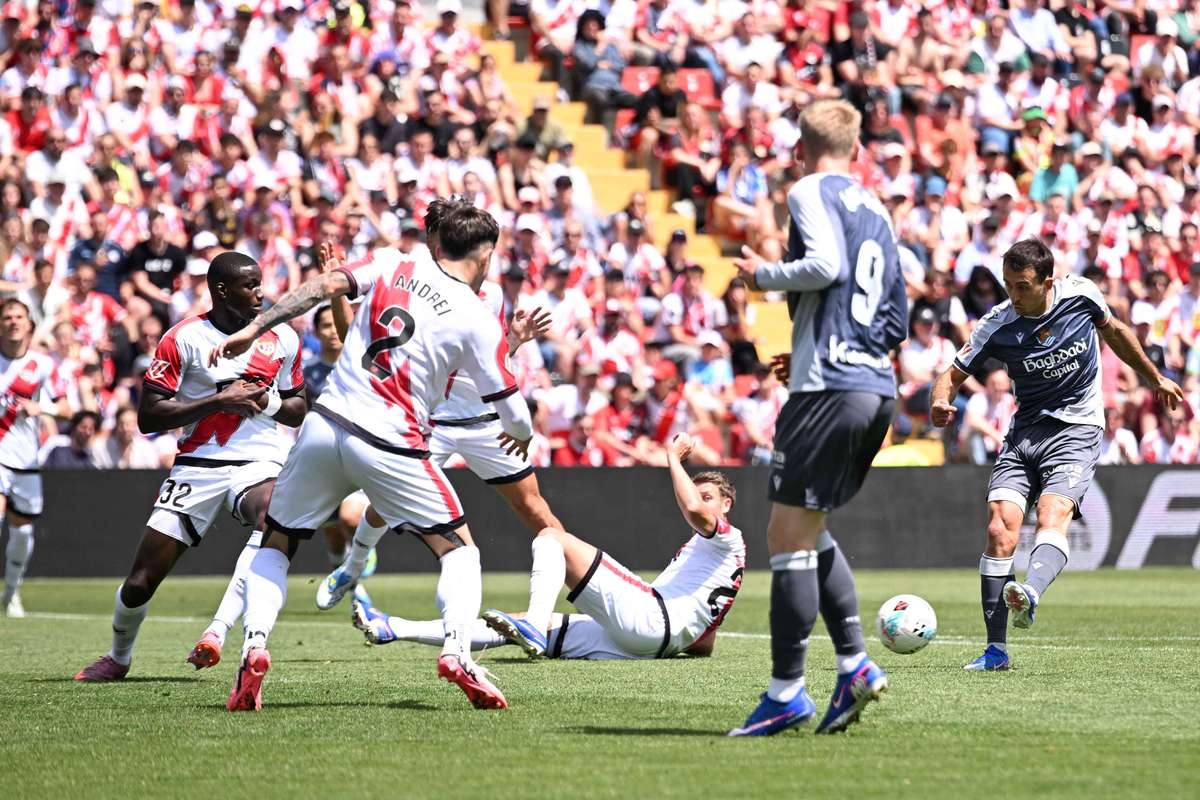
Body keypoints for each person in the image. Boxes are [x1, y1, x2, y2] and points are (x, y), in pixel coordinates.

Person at [207, 206, 533, 713]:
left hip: (326, 423)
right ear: (486, 254)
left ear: (439, 241)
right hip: (392, 440)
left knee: (277, 542)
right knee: (459, 552)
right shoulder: (476, 315)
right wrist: (523, 435)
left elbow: (322, 287)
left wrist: (257, 328)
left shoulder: (392, 262)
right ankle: (457, 652)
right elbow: (513, 413)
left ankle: (254, 647)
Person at [731, 99, 907, 736]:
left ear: (801, 150)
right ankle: (855, 666)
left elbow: (826, 266)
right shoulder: (878, 210)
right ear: (857, 150)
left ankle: (786, 693)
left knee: (786, 537)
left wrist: (762, 276)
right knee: (808, 526)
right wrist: (817, 353)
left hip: (829, 389)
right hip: (872, 387)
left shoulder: (808, 190)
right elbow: (895, 318)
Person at [930, 238, 1184, 671]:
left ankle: (1031, 591)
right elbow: (950, 375)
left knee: (1053, 512)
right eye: (1008, 285)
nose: (1013, 295)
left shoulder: (1081, 295)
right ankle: (996, 652)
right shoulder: (998, 324)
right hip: (1024, 433)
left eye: (1022, 286)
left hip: (1077, 429)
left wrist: (1154, 377)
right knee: (998, 528)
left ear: (1047, 282)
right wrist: (940, 401)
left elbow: (1116, 333)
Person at [314, 196, 561, 613]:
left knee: (537, 510)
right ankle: (352, 568)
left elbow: (486, 362)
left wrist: (514, 341)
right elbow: (358, 339)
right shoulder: (410, 281)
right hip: (434, 422)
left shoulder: (492, 295)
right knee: (382, 506)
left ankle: (567, 602)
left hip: (485, 421)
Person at [73, 252, 308, 681]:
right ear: (221, 291)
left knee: (273, 516)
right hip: (197, 465)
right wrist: (218, 401)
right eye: (250, 285)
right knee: (141, 582)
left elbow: (297, 409)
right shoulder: (183, 337)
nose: (260, 293)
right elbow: (149, 416)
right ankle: (118, 657)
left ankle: (224, 633)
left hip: (260, 460)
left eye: (260, 283)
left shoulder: (282, 337)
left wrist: (266, 399)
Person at [354, 433, 745, 662]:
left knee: (551, 538)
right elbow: (704, 644)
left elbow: (694, 510)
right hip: (651, 644)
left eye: (708, 495)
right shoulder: (717, 562)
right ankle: (393, 628)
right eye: (697, 491)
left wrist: (672, 458)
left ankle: (535, 626)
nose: (699, 499)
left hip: (651, 622)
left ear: (726, 504)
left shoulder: (728, 538)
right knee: (515, 622)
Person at [0, 299, 69, 618]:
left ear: (29, 324)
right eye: (7, 317)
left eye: (19, 317)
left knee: (22, 532)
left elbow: (67, 409)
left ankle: (12, 591)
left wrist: (42, 408)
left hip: (26, 460)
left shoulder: (43, 364)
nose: (13, 322)